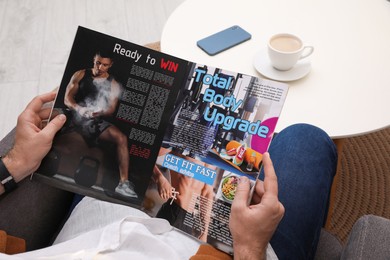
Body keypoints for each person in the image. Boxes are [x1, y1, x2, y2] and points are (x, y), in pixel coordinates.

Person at [0, 92, 338, 259]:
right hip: (226, 246)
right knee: (306, 140)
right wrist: (250, 247)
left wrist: (14, 164)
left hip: (99, 214)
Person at [64, 51, 136, 198]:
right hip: (73, 114)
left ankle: (123, 183)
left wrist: (99, 112)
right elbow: (67, 98)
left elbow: (111, 109)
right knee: (48, 114)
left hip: (94, 120)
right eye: (98, 63)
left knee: (121, 138)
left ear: (110, 65)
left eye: (104, 65)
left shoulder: (113, 83)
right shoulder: (81, 74)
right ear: (94, 60)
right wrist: (79, 108)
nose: (100, 67)